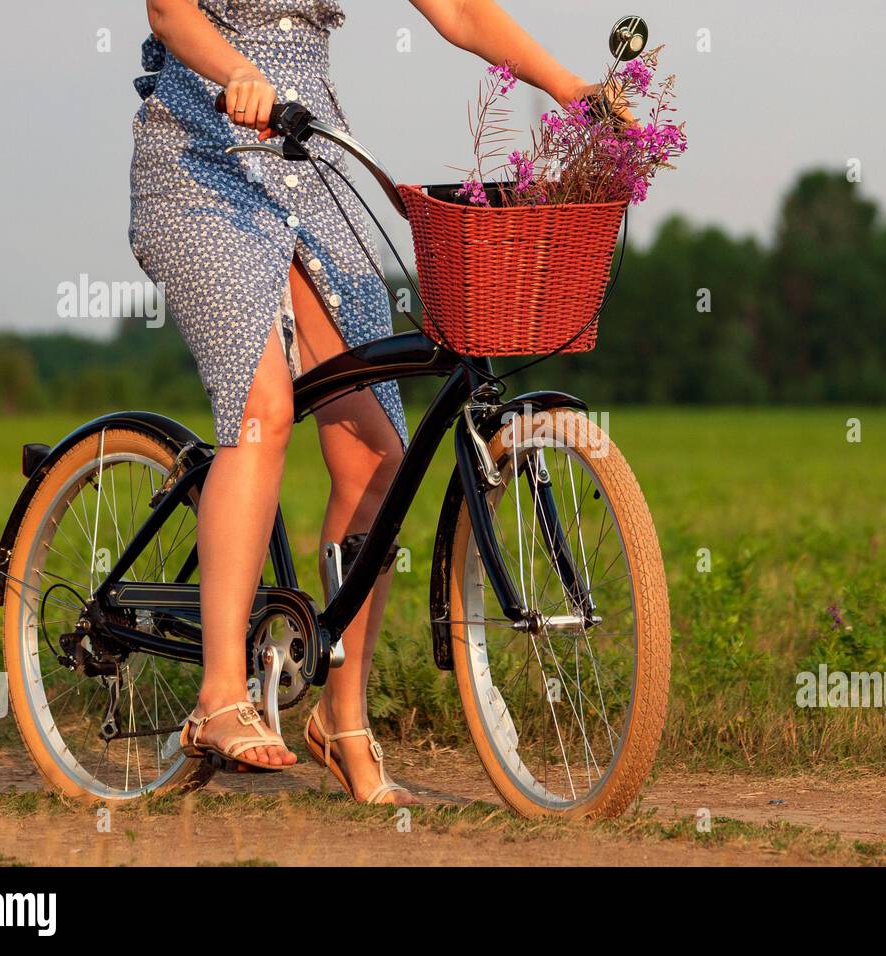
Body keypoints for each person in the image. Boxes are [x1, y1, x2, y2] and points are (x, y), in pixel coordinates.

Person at [130, 0, 611, 803]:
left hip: (307, 161)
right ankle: (219, 695)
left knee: (375, 456)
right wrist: (240, 74)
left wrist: (570, 89)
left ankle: (341, 721)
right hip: (200, 160)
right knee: (266, 414)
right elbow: (171, 13)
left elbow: (458, 9)